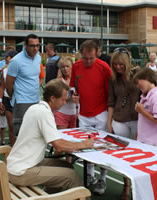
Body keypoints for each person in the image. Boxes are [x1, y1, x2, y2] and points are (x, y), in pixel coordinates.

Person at [7, 79, 94, 191]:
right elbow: (59, 146)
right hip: (22, 172)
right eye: (62, 100)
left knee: (66, 166)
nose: (64, 103)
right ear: (52, 98)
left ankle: (49, 194)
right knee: (72, 176)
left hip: (18, 165)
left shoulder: (35, 108)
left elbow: (57, 142)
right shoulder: (44, 113)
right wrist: (84, 144)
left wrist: (76, 144)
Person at [70, 39, 112, 195]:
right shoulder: (76, 66)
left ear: (97, 53)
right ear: (81, 54)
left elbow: (110, 94)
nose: (88, 61)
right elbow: (73, 87)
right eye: (85, 58)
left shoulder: (104, 68)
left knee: (101, 147)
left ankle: (102, 178)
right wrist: (73, 94)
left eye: (91, 58)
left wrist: (109, 118)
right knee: (86, 146)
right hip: (83, 114)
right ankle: (90, 175)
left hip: (101, 113)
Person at [107, 48, 140, 200]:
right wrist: (109, 123)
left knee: (139, 155)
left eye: (121, 64)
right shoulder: (113, 79)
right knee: (123, 156)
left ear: (127, 62)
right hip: (119, 120)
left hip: (138, 120)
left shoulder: (138, 74)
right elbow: (111, 101)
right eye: (115, 64)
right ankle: (126, 185)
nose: (118, 67)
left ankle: (140, 184)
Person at [6, 34, 42, 136]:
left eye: (37, 45)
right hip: (22, 102)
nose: (35, 48)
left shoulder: (38, 58)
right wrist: (11, 95)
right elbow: (9, 82)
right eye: (32, 46)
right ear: (25, 45)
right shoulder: (16, 61)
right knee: (22, 133)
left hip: (36, 100)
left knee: (34, 131)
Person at [133, 67, 157, 148]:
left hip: (155, 144)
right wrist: (137, 137)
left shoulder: (156, 97)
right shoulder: (144, 97)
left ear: (146, 78)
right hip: (144, 141)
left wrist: (142, 111)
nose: (137, 86)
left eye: (137, 83)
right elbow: (142, 121)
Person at [0, 50, 18, 146]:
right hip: (7, 100)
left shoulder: (20, 69)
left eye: (7, 57)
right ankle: (13, 148)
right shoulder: (4, 70)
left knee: (21, 127)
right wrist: (0, 100)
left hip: (19, 101)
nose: (5, 59)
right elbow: (2, 87)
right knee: (11, 126)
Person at [54, 56, 77, 129]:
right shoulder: (58, 81)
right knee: (63, 136)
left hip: (74, 114)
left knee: (73, 139)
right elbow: (56, 98)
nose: (65, 69)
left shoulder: (77, 80)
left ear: (72, 67)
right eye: (63, 67)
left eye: (67, 66)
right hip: (61, 113)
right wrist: (69, 98)